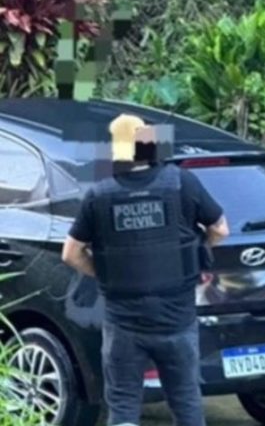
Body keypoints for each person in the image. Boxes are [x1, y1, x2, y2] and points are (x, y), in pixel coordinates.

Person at [62, 114, 230, 426]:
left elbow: (70, 253)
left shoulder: (99, 194)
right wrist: (196, 252)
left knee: (124, 404)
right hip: (176, 319)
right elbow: (220, 229)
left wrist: (107, 273)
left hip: (124, 322)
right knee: (186, 400)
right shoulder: (181, 181)